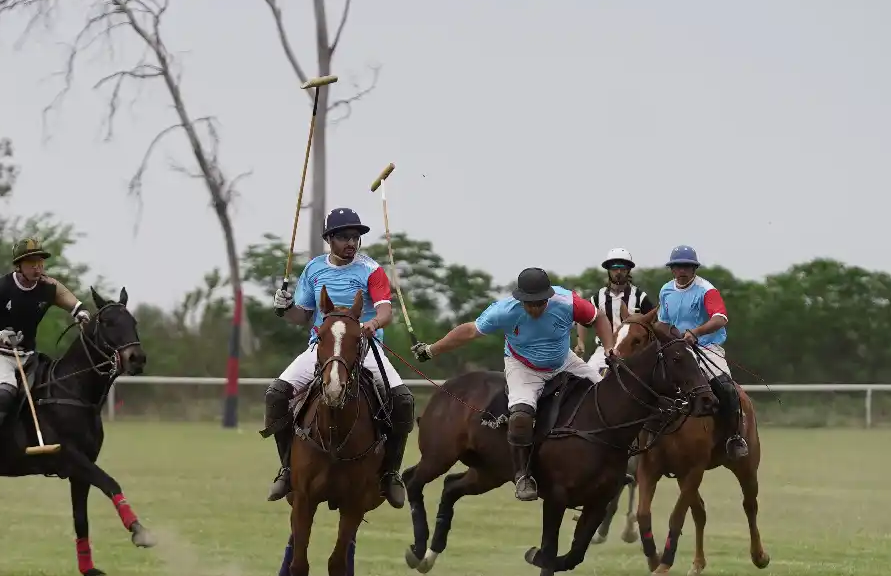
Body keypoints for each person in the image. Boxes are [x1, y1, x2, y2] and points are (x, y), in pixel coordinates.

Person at [411, 268, 613, 501]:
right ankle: (523, 475)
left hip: (564, 361)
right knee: (521, 416)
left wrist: (608, 348)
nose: (535, 308)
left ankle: (610, 463)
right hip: (523, 366)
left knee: (606, 398)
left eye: (540, 303)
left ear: (548, 297)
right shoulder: (504, 310)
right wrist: (431, 349)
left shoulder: (567, 301)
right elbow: (468, 331)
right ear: (520, 298)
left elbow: (598, 318)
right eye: (530, 303)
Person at [265, 207, 416, 508]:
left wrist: (373, 323)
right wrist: (285, 308)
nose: (351, 243)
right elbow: (302, 317)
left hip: (365, 347)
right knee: (275, 394)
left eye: (355, 237)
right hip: (321, 348)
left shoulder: (371, 270)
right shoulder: (313, 269)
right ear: (330, 239)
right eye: (344, 237)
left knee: (403, 400)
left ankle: (390, 474)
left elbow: (385, 310)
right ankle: (286, 468)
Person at [0, 237, 91, 475]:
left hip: (27, 355)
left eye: (41, 262)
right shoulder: (1, 288)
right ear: (18, 265)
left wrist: (79, 311)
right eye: (32, 262)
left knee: (50, 390)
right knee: (6, 391)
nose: (38, 267)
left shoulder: (46, 286)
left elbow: (63, 295)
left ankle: (53, 453)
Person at [656, 245, 748, 459]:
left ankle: (734, 437)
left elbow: (720, 318)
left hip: (706, 347)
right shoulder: (666, 290)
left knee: (725, 388)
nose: (682, 271)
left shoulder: (706, 289)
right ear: (672, 269)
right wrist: (669, 336)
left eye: (687, 266)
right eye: (678, 266)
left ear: (694, 268)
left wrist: (696, 332)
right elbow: (662, 323)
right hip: (676, 349)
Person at [579, 247, 656, 377]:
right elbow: (582, 319)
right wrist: (580, 342)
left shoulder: (640, 296)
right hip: (603, 350)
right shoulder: (598, 297)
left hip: (631, 350)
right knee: (586, 378)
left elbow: (652, 323)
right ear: (609, 270)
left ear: (628, 271)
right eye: (615, 269)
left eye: (623, 269)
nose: (619, 272)